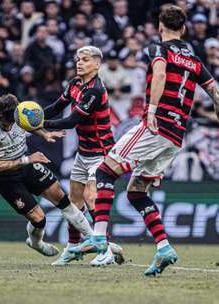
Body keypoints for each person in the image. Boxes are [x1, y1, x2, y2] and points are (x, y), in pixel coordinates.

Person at [69, 5, 219, 275]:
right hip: (175, 137)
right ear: (183, 29)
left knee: (104, 170)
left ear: (160, 28)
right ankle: (164, 248)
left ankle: (99, 237)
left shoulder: (159, 49)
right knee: (137, 192)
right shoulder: (195, 61)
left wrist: (150, 110)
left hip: (155, 126)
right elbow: (215, 91)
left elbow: (160, 73)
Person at [0, 94, 94, 257]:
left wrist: (45, 134)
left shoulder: (21, 112)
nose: (6, 126)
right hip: (5, 175)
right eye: (3, 122)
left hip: (26, 162)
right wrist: (27, 159)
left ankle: (94, 238)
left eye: (10, 123)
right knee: (39, 219)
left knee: (61, 196)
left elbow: (29, 124)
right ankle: (36, 243)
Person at [42, 46, 123, 266]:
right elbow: (57, 107)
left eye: (85, 60)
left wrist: (40, 123)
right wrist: (33, 112)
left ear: (96, 65)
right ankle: (72, 248)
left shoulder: (95, 89)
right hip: (83, 153)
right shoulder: (74, 84)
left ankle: (104, 249)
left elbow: (72, 121)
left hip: (102, 152)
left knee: (91, 196)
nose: (79, 63)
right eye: (78, 59)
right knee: (74, 202)